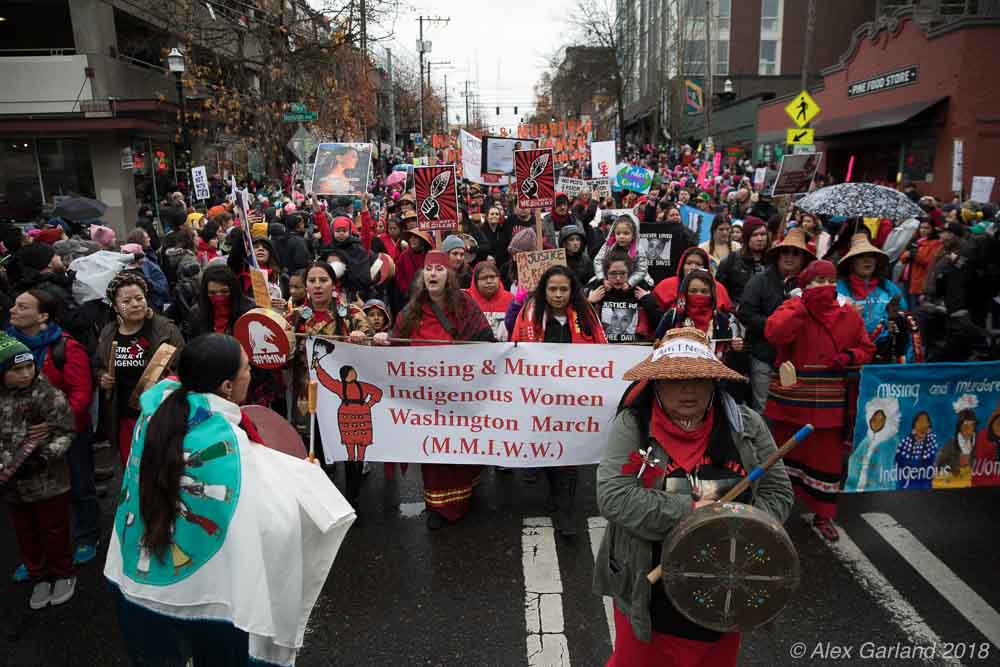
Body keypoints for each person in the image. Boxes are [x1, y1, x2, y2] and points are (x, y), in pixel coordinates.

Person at [104, 334, 355, 666]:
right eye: (246, 368)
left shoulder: (155, 411)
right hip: (211, 592)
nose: (250, 374)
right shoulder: (225, 441)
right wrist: (306, 481)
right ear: (226, 386)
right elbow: (274, 520)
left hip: (138, 569)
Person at [594, 327, 792, 666]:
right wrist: (692, 512)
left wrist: (740, 526)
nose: (688, 389)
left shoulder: (746, 425)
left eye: (699, 378)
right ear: (656, 383)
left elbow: (778, 492)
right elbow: (614, 496)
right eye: (676, 380)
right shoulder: (634, 424)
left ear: (713, 382)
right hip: (649, 585)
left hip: (725, 579)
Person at [375, 250, 495, 529]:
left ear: (449, 276)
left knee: (461, 452)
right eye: (428, 269)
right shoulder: (412, 311)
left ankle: (465, 497)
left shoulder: (465, 305)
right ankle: (437, 507)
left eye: (439, 269)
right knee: (435, 454)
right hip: (427, 400)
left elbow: (487, 343)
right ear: (422, 276)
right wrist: (383, 340)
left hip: (461, 395)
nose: (433, 274)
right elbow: (397, 345)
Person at [764, 260, 875, 541]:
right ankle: (775, 512)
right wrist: (801, 306)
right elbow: (774, 333)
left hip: (829, 404)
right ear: (805, 284)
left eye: (830, 281)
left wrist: (849, 357)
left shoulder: (849, 314)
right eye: (818, 281)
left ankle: (823, 514)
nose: (825, 286)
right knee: (784, 458)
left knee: (827, 462)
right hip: (792, 401)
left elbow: (866, 348)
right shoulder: (791, 308)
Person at [6, 289, 98, 572]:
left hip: (68, 433)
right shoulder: (6, 346)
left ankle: (86, 536)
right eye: (15, 305)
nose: (13, 310)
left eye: (23, 307)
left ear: (43, 316)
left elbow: (81, 393)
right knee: (27, 499)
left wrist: (54, 424)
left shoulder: (66, 348)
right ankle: (37, 556)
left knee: (79, 485)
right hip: (18, 438)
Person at [511, 265, 606, 536]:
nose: (558, 294)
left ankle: (566, 512)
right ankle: (554, 492)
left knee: (569, 456)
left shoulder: (586, 314)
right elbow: (516, 349)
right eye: (552, 289)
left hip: (575, 399)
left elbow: (602, 352)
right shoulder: (530, 313)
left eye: (564, 289)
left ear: (572, 290)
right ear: (544, 290)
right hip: (540, 398)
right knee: (549, 450)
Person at [0, 334, 77, 610]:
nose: (25, 374)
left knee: (54, 530)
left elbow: (67, 432)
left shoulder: (48, 395)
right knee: (26, 533)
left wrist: (45, 456)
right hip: (13, 486)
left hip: (49, 481)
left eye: (29, 366)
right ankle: (39, 575)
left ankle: (63, 573)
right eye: (16, 369)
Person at [289, 262, 369, 503]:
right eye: (312, 281)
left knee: (351, 449)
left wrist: (362, 338)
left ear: (333, 284)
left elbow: (373, 347)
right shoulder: (294, 318)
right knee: (316, 450)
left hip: (345, 396)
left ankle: (352, 500)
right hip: (309, 395)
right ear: (305, 285)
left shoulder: (351, 314)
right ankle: (326, 501)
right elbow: (283, 355)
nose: (317, 286)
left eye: (323, 280)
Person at [95, 272, 184, 466]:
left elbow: (183, 368)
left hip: (159, 414)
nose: (135, 304)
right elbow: (99, 365)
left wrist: (166, 381)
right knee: (133, 465)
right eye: (126, 301)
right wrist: (103, 377)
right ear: (115, 307)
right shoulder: (108, 333)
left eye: (139, 298)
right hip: (125, 415)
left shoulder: (166, 330)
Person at [738, 228, 815, 412]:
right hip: (764, 355)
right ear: (778, 255)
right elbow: (745, 313)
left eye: (796, 253)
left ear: (803, 258)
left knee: (794, 409)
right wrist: (773, 327)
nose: (790, 257)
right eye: (786, 251)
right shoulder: (760, 281)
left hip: (798, 359)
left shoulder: (810, 284)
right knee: (764, 408)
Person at [835, 233, 912, 363]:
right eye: (861, 256)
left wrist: (893, 317)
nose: (867, 260)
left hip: (886, 354)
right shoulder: (840, 289)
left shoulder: (889, 287)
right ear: (851, 262)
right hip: (853, 354)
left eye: (871, 256)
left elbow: (905, 319)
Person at [656, 269, 743, 360]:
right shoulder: (673, 316)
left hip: (713, 368)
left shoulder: (721, 320)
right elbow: (657, 343)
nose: (698, 295)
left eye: (704, 292)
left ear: (712, 294)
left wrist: (736, 346)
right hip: (675, 368)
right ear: (685, 292)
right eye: (693, 291)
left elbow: (729, 351)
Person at [588, 252, 660, 344]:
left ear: (630, 274)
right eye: (613, 273)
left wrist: (648, 300)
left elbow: (659, 324)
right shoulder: (597, 289)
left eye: (622, 273)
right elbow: (580, 326)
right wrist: (590, 302)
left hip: (636, 348)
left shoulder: (641, 289)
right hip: (603, 347)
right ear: (606, 274)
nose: (618, 278)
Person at [652, 246, 733, 312]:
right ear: (682, 266)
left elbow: (728, 314)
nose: (693, 267)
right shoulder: (666, 285)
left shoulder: (717, 288)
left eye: (698, 264)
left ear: (706, 268)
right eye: (689, 263)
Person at [716, 216, 768, 305]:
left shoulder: (773, 261)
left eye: (763, 234)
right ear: (747, 237)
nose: (760, 239)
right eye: (755, 235)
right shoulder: (731, 260)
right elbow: (719, 291)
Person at [593, 215, 649, 288]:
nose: (621, 236)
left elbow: (641, 270)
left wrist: (629, 283)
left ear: (633, 235)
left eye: (626, 233)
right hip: (611, 280)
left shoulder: (638, 249)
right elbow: (598, 260)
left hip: (632, 281)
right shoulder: (608, 245)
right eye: (618, 233)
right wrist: (603, 279)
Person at [465, 260, 513, 341]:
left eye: (492, 277)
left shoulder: (510, 299)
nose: (489, 281)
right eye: (484, 278)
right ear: (475, 281)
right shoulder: (466, 299)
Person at [899, 219, 941, 302]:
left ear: (932, 229)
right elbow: (902, 258)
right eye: (921, 227)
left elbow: (929, 261)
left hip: (919, 278)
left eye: (927, 228)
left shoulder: (935, 243)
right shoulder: (915, 240)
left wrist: (915, 255)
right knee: (905, 304)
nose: (923, 230)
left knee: (914, 304)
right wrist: (907, 255)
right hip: (907, 276)